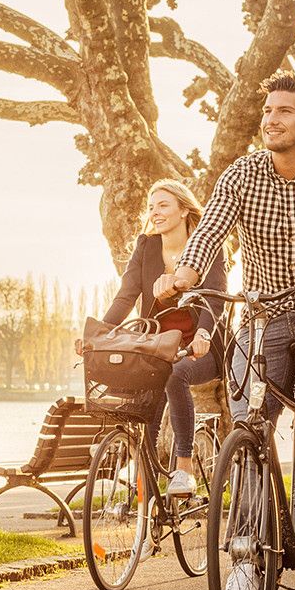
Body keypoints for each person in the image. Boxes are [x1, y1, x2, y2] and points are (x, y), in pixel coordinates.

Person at [154, 71, 295, 590]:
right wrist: (185, 274)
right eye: (267, 111)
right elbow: (209, 230)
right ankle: (247, 560)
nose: (271, 120)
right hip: (262, 315)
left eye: (284, 111)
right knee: (248, 434)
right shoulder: (243, 174)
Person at [89, 179, 228, 496]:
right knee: (146, 409)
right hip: (156, 347)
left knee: (175, 374)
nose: (155, 212)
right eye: (151, 207)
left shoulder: (208, 246)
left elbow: (214, 297)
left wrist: (203, 334)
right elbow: (125, 297)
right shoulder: (146, 247)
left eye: (163, 205)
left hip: (200, 348)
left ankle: (184, 469)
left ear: (184, 210)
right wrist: (99, 335)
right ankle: (149, 503)